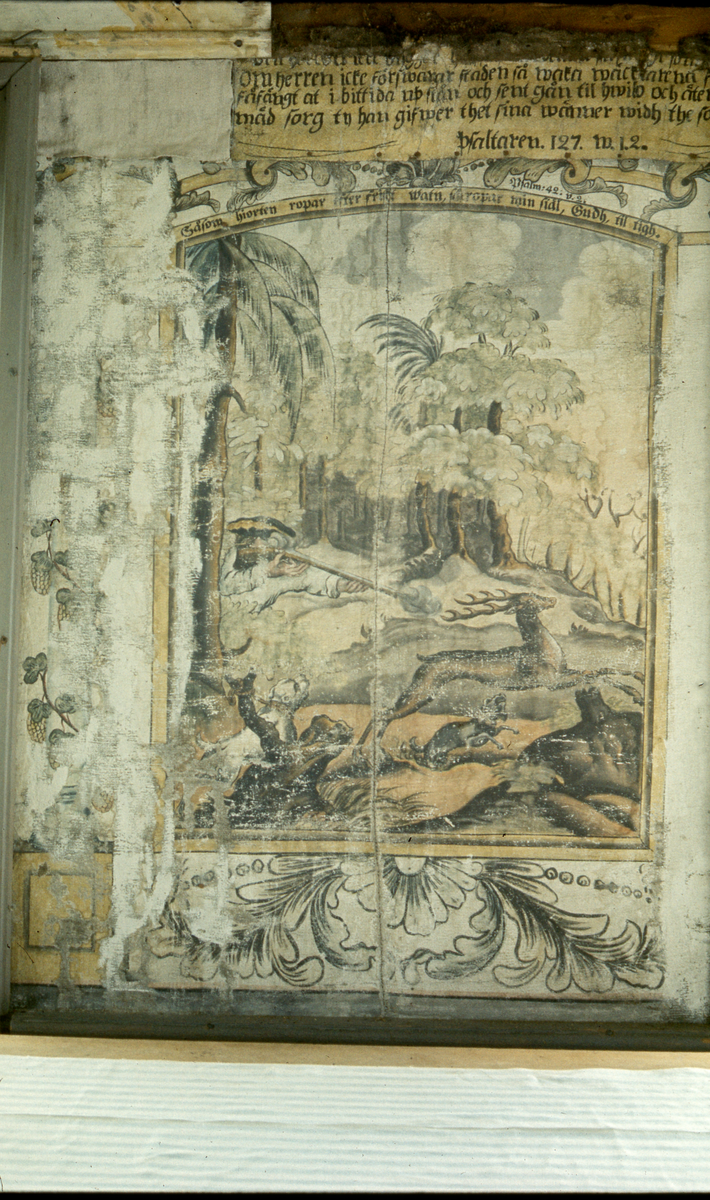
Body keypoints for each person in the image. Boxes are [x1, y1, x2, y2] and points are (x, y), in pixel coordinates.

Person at [219, 516, 367, 614]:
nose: (266, 544)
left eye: (269, 539)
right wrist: (267, 571)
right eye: (261, 539)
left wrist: (339, 585)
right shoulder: (232, 554)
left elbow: (308, 575)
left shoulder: (278, 558)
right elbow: (225, 587)